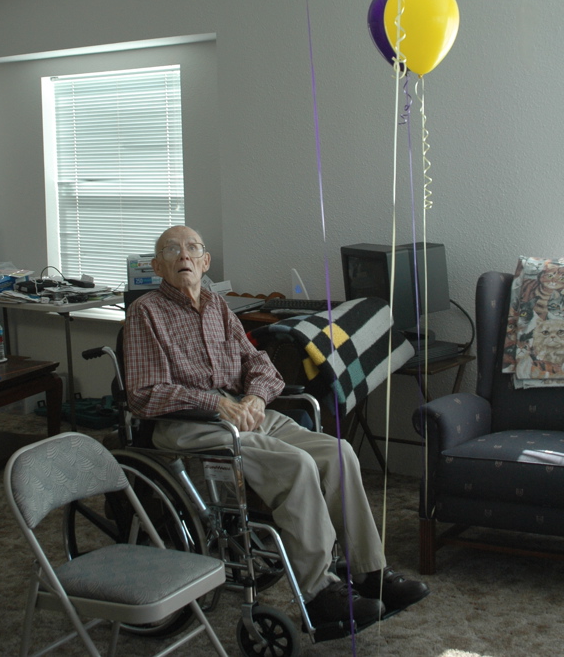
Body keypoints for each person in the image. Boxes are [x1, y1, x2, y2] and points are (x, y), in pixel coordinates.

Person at [124, 226, 430, 629]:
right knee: (296, 466)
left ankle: (369, 572)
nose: (184, 255)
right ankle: (320, 593)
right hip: (185, 422)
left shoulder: (217, 307)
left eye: (193, 248)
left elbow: (260, 365)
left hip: (245, 413)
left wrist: (253, 399)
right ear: (157, 265)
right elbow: (145, 394)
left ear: (205, 262)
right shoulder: (146, 312)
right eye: (172, 250)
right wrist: (216, 402)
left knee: (340, 453)